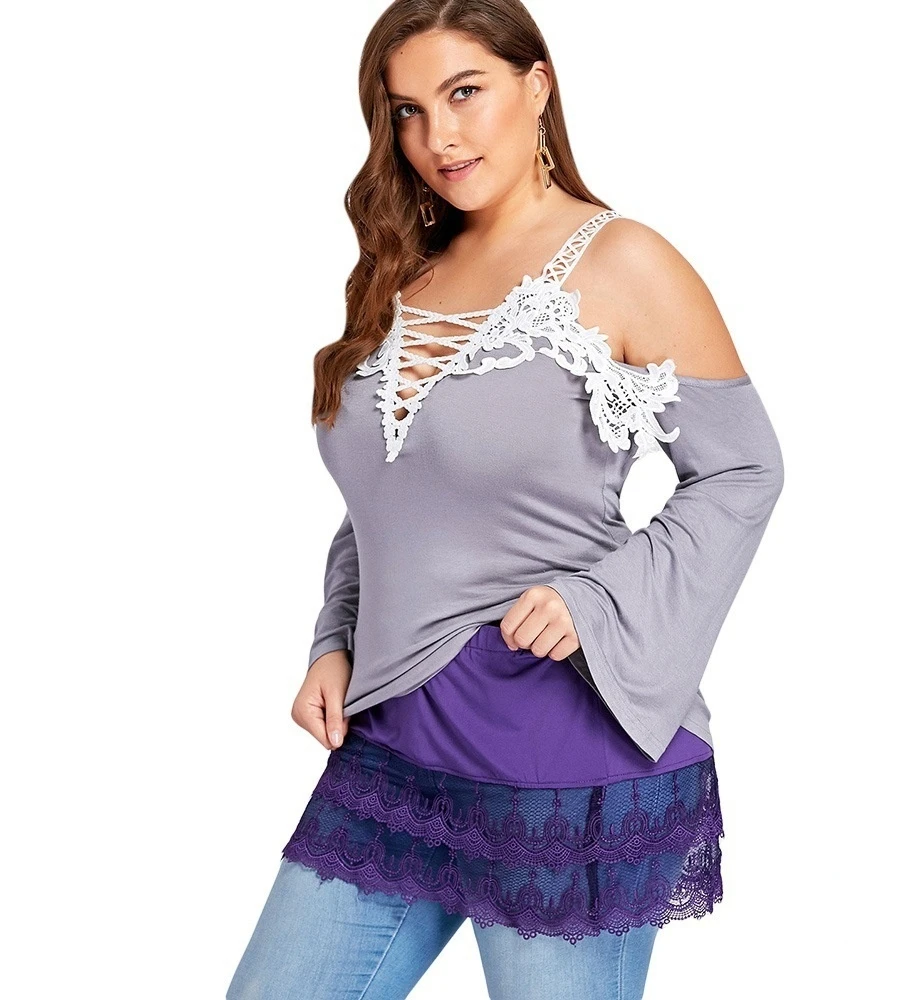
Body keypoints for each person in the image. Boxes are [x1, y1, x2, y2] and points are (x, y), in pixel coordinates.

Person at [227, 1, 784, 998]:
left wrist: (595, 598)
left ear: (538, 85)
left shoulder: (625, 262)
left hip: (559, 748)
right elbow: (388, 497)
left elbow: (744, 471)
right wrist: (332, 639)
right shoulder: (402, 269)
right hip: (396, 740)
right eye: (407, 109)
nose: (437, 135)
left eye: (464, 93)